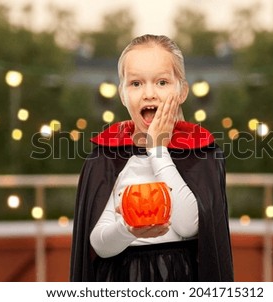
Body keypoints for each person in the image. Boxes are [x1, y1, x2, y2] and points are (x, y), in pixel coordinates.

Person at [70, 34, 234, 282]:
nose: (149, 94)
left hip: (180, 276)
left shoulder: (202, 151)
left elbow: (189, 225)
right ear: (123, 94)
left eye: (162, 82)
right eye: (136, 84)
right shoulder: (106, 154)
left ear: (182, 91)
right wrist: (127, 229)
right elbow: (99, 244)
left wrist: (157, 149)